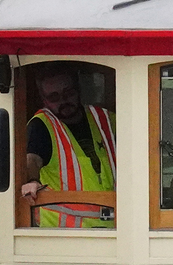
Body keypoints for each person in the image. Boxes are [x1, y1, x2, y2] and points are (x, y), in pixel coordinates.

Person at [21, 65, 116, 228]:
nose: (63, 101)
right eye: (54, 97)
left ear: (78, 91)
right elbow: (32, 159)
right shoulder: (41, 125)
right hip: (65, 237)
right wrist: (31, 180)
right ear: (44, 100)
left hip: (115, 230)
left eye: (68, 93)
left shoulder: (104, 118)